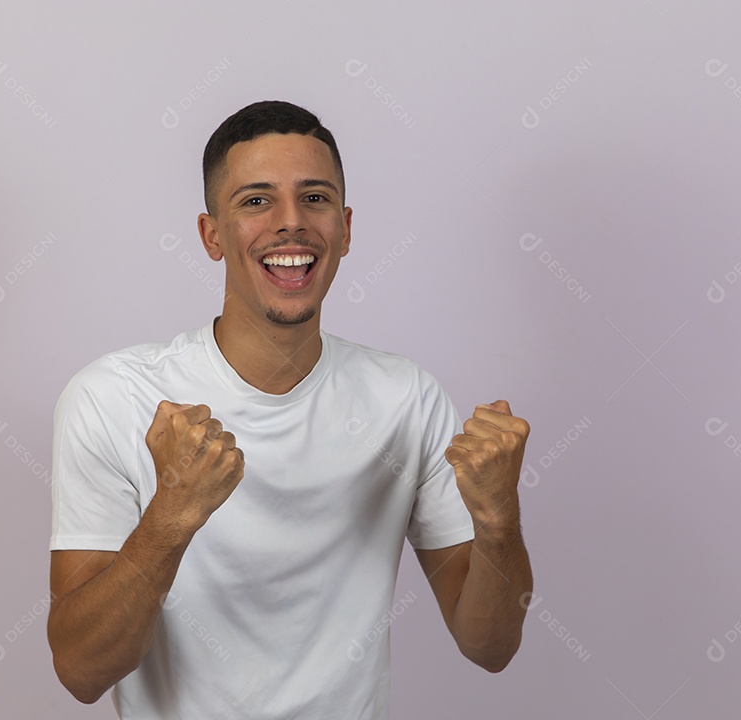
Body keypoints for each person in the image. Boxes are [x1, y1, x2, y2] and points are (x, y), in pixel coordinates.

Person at [46, 99, 533, 718]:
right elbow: (81, 671)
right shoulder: (113, 397)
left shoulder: (406, 397)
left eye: (314, 198)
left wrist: (498, 518)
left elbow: (490, 645)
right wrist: (171, 516)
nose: (291, 223)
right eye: (256, 200)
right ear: (211, 235)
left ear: (345, 228)